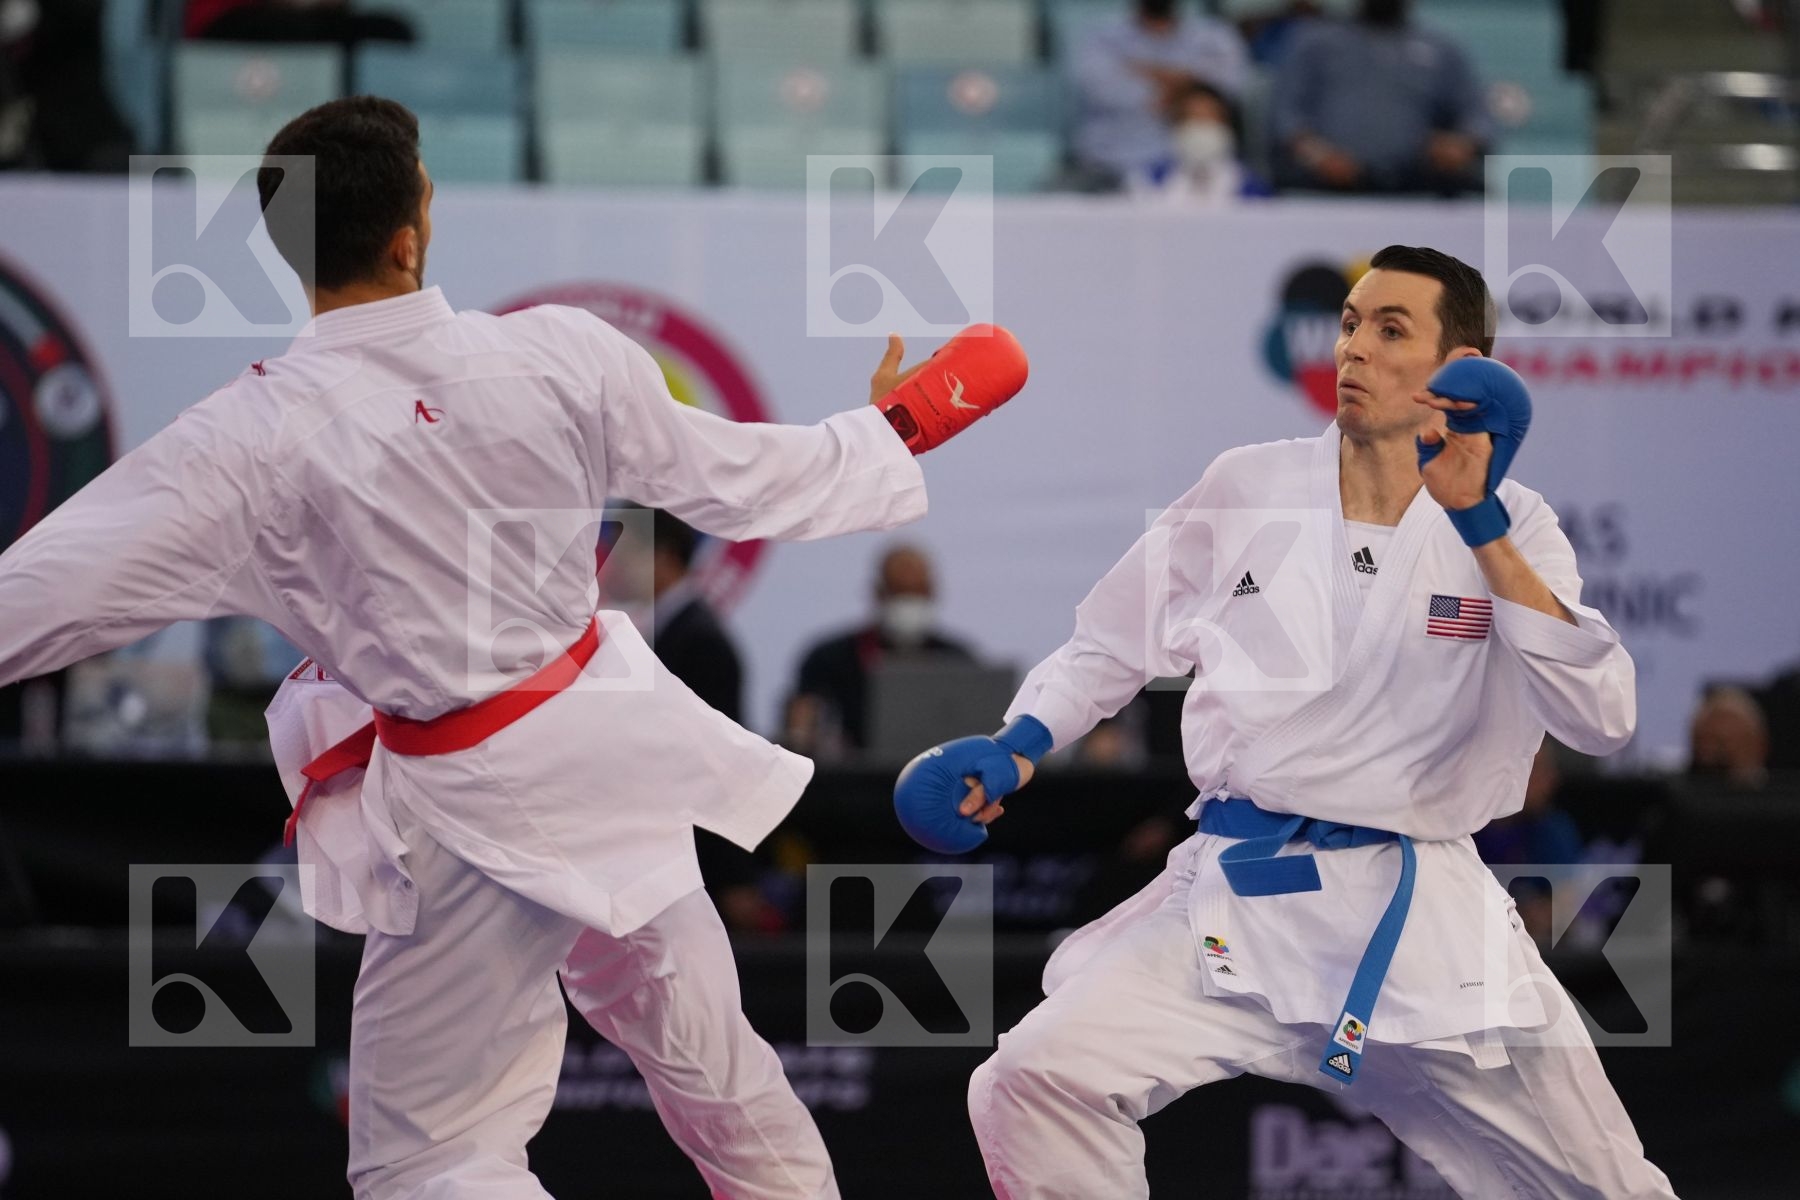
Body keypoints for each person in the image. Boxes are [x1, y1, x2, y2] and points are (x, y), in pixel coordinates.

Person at [0, 96, 1025, 1199]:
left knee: (428, 1156)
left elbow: (40, 597)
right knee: (727, 1093)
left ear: (291, 252)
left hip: (464, 807)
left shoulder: (245, 440)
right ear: (411, 231)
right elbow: (738, 481)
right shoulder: (558, 352)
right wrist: (901, 423)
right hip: (607, 755)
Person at [894, 245, 1675, 1196]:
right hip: (1237, 898)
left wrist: (1478, 525)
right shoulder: (1248, 486)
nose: (1354, 348)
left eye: (1392, 331)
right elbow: (1109, 642)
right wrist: (1022, 742)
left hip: (1420, 913)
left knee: (1610, 1188)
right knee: (1033, 1080)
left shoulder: (1517, 527)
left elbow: (1603, 720)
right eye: (1351, 323)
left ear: (1461, 366)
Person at [1270, 0, 1490, 195]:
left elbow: (1477, 115)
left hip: (1416, 182)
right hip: (1327, 183)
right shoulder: (1316, 42)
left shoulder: (1440, 48)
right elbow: (1285, 114)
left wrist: (1460, 144)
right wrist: (1318, 156)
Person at [784, 543, 974, 755]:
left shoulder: (958, 659)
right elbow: (801, 727)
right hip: (855, 780)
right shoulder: (829, 658)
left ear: (931, 592)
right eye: (899, 592)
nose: (909, 602)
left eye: (917, 592)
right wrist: (802, 734)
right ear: (878, 592)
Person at [1069, 0, 1250, 190]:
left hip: (1194, 176)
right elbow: (1106, 92)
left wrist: (1144, 70)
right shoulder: (1102, 37)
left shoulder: (1214, 36)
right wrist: (1189, 82)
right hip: (1108, 171)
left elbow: (1224, 89)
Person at [1125, 79, 1269, 204]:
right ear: (1176, 125)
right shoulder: (1147, 180)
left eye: (1210, 118)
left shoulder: (1249, 186)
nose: (1201, 126)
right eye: (1193, 118)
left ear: (1228, 126)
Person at [1686, 685, 1770, 790]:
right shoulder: (1675, 798)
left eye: (1721, 743)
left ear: (1758, 746)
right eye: (1701, 741)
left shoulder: (1785, 800)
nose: (1709, 752)